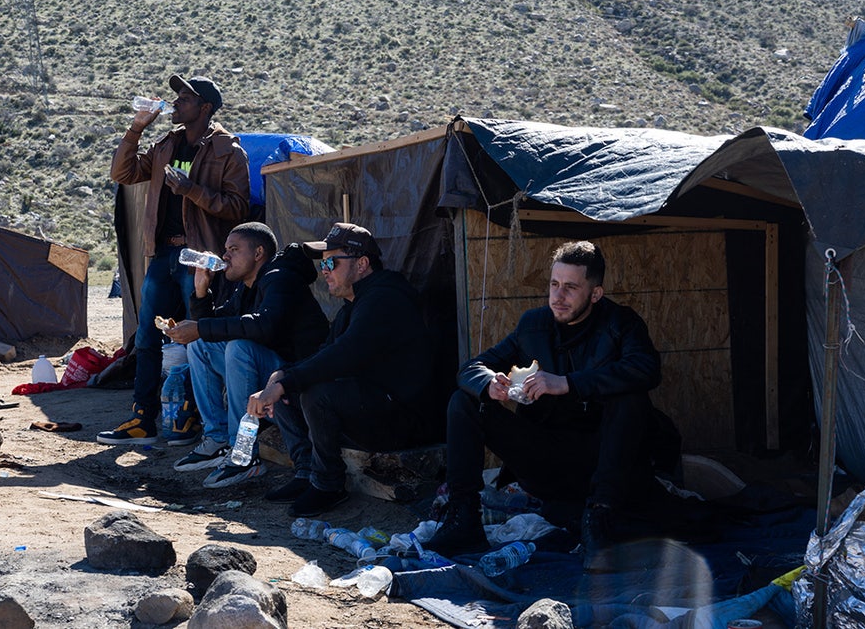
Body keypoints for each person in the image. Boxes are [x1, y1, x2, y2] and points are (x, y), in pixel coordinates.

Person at [426, 240, 679, 566]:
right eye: (554, 284)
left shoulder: (621, 323)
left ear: (595, 294)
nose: (558, 296)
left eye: (571, 288)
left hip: (603, 464)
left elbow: (646, 369)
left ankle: (599, 523)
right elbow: (471, 368)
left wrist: (567, 384)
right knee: (465, 400)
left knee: (631, 398)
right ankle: (463, 519)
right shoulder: (533, 325)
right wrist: (489, 383)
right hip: (544, 458)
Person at [247, 222, 442, 518]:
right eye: (322, 263)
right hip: (372, 405)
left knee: (314, 392)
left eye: (331, 262)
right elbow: (324, 353)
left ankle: (328, 485)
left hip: (402, 418)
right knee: (288, 390)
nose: (324, 270)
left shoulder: (385, 298)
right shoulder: (353, 305)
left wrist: (287, 381)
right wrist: (282, 377)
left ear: (362, 264)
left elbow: (344, 355)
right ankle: (306, 474)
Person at [98, 74, 250, 444]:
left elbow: (238, 208)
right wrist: (136, 129)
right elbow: (122, 172)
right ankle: (142, 420)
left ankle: (195, 421)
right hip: (162, 253)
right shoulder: (165, 145)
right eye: (177, 98)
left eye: (185, 99)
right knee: (149, 337)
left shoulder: (228, 151)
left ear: (205, 108)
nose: (176, 104)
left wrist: (191, 191)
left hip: (198, 259)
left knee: (198, 338)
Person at [164, 222, 329, 489]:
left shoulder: (280, 278)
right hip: (267, 373)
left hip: (296, 376)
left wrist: (201, 328)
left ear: (258, 253)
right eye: (225, 250)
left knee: (239, 348)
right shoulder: (247, 287)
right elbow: (213, 325)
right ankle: (217, 440)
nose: (225, 256)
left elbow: (263, 325)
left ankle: (242, 454)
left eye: (234, 249)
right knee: (200, 346)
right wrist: (201, 290)